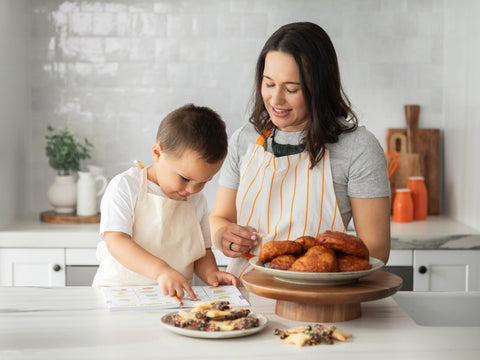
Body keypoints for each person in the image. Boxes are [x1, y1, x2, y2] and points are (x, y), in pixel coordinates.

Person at [210, 22, 391, 279]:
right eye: (269, 84)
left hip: (321, 299)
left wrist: (312, 270)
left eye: (292, 89)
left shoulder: (358, 148)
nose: (276, 99)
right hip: (246, 294)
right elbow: (220, 216)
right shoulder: (245, 140)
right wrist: (222, 236)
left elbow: (377, 248)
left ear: (319, 87)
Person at [92, 104, 238, 299]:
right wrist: (161, 271)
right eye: (185, 178)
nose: (192, 189)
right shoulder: (125, 186)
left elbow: (202, 252)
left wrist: (211, 273)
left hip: (172, 300)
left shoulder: (197, 200)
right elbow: (116, 241)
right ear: (157, 153)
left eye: (203, 182)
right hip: (118, 294)